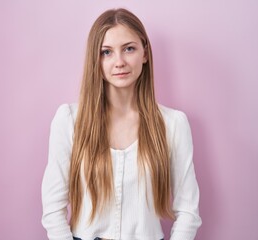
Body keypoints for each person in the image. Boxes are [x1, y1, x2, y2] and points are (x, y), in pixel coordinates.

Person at [41, 8, 202, 240]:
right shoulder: (69, 121)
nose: (119, 62)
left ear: (144, 53)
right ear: (95, 60)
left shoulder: (173, 125)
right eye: (106, 52)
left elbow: (188, 211)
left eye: (129, 49)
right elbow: (52, 210)